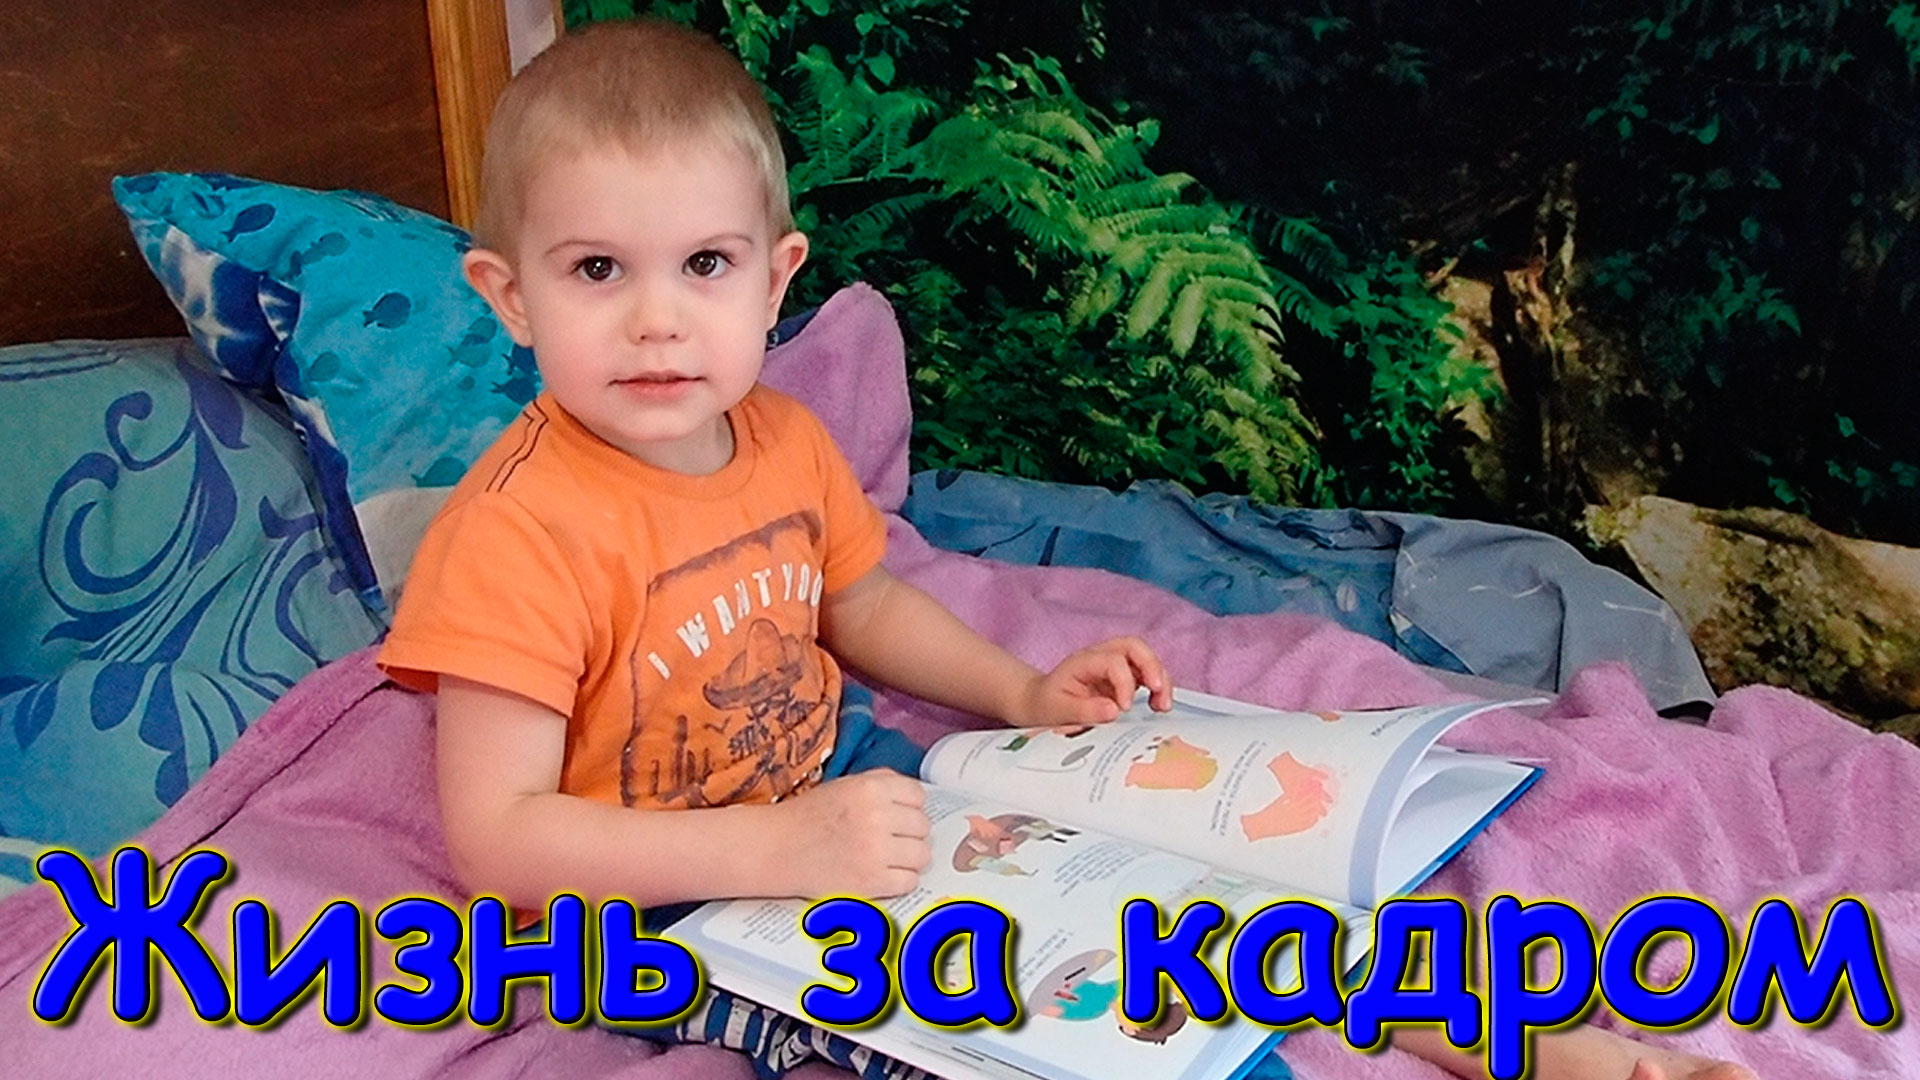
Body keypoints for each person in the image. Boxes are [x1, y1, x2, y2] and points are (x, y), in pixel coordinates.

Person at [377, 18, 1755, 1080]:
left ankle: (1543, 1048)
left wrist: (1021, 694)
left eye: (705, 266)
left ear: (778, 276)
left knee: (1213, 907)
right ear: (509, 296)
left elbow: (861, 603)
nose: (659, 321)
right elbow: (501, 842)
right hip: (661, 916)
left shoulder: (780, 440)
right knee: (1040, 1038)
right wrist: (778, 845)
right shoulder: (515, 536)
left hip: (852, 794)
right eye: (598, 270)